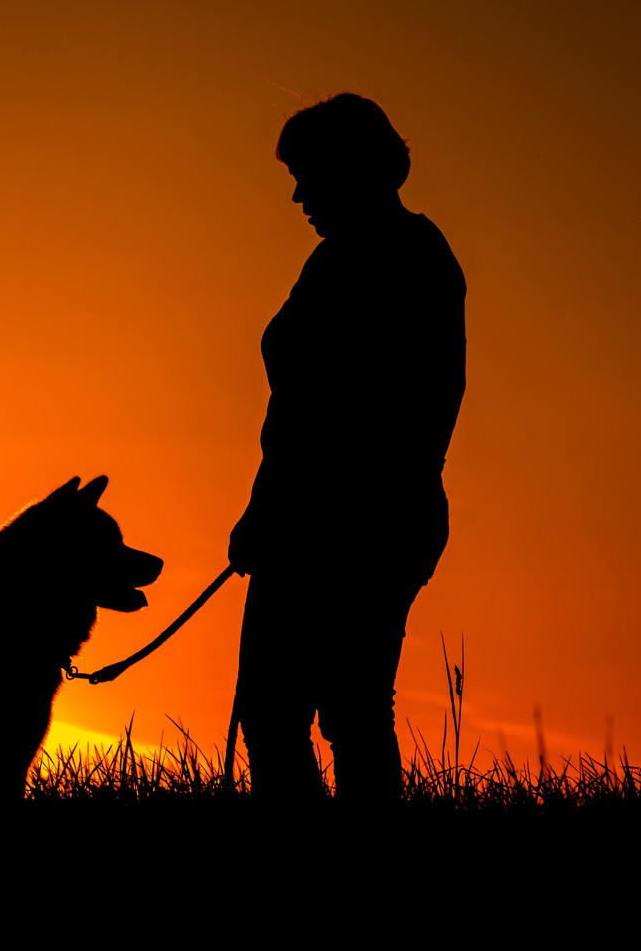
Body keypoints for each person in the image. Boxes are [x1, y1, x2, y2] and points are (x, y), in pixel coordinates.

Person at [228, 94, 466, 801]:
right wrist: (261, 509)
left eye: (308, 175)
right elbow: (297, 412)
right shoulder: (340, 259)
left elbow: (380, 410)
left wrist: (282, 509)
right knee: (300, 712)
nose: (299, 195)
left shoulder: (403, 257)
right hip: (318, 515)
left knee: (335, 710)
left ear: (352, 169)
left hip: (361, 519)